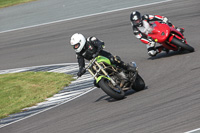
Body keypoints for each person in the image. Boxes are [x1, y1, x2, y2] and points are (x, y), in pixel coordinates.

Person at [70, 33, 136, 77]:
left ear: (81, 41)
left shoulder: (90, 40)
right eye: (74, 46)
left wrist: (99, 49)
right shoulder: (79, 53)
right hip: (94, 63)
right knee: (96, 82)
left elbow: (100, 43)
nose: (75, 47)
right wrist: (80, 71)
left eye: (76, 45)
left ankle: (127, 67)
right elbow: (81, 63)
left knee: (114, 59)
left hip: (103, 55)